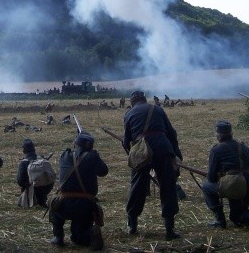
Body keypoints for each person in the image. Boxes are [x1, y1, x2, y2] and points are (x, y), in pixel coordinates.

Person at [122, 90, 183, 239]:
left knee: (137, 187)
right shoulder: (157, 109)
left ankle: (132, 226)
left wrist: (132, 153)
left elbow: (126, 141)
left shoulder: (129, 114)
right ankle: (169, 230)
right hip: (163, 148)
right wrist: (175, 153)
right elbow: (172, 133)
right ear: (144, 99)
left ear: (132, 102)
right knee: (168, 187)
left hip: (141, 152)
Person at [201, 120, 249, 230]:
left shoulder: (216, 150)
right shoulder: (243, 147)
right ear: (231, 133)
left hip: (233, 185)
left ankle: (219, 220)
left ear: (219, 135)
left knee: (206, 186)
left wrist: (222, 178)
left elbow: (211, 177)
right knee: (236, 217)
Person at [49, 132, 108, 250]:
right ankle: (89, 234)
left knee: (53, 205)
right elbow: (103, 171)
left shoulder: (65, 155)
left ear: (76, 144)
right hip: (84, 206)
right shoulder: (93, 157)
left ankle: (58, 237)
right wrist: (95, 155)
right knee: (79, 239)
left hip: (63, 204)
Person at [17, 139, 54, 208]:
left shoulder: (23, 163)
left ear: (23, 150)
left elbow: (20, 182)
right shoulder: (42, 161)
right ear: (34, 149)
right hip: (45, 192)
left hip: (30, 193)